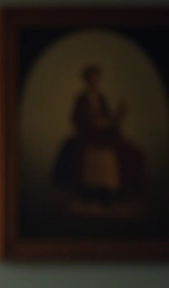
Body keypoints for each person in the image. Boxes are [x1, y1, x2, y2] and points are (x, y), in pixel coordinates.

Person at [51, 64, 145, 206]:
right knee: (78, 151)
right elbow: (76, 118)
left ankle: (109, 192)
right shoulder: (82, 98)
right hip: (88, 133)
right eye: (91, 78)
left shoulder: (101, 98)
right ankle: (85, 192)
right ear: (87, 79)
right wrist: (92, 122)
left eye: (96, 78)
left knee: (123, 151)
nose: (94, 81)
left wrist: (112, 118)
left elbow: (107, 117)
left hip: (101, 134)